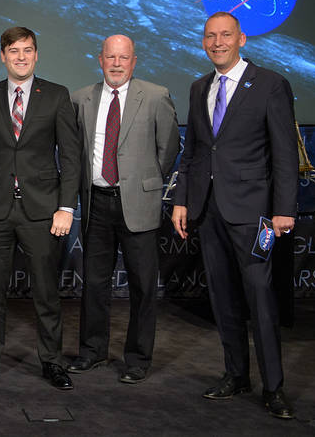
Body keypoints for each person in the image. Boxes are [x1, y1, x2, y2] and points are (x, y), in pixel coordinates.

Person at [171, 12, 299, 420]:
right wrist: (181, 201)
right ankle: (235, 375)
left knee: (260, 298)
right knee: (222, 299)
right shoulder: (199, 87)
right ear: (203, 42)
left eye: (226, 35)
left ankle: (273, 387)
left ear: (242, 39)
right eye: (210, 36)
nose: (218, 42)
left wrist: (282, 210)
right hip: (208, 211)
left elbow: (284, 153)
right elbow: (193, 152)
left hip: (254, 215)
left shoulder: (270, 84)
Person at [0, 26, 80, 390]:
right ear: (2, 56)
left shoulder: (57, 96)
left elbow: (72, 158)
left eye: (27, 50)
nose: (21, 57)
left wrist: (66, 207)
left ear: (36, 54)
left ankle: (52, 361)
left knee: (45, 292)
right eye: (14, 51)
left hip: (43, 210)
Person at [67, 35, 179, 384]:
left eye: (124, 58)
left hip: (138, 203)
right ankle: (92, 351)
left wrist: (141, 183)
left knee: (143, 286)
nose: (117, 64)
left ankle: (138, 358)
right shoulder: (80, 98)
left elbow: (168, 149)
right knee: (94, 284)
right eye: (111, 57)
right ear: (100, 59)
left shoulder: (157, 95)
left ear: (135, 61)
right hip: (97, 201)